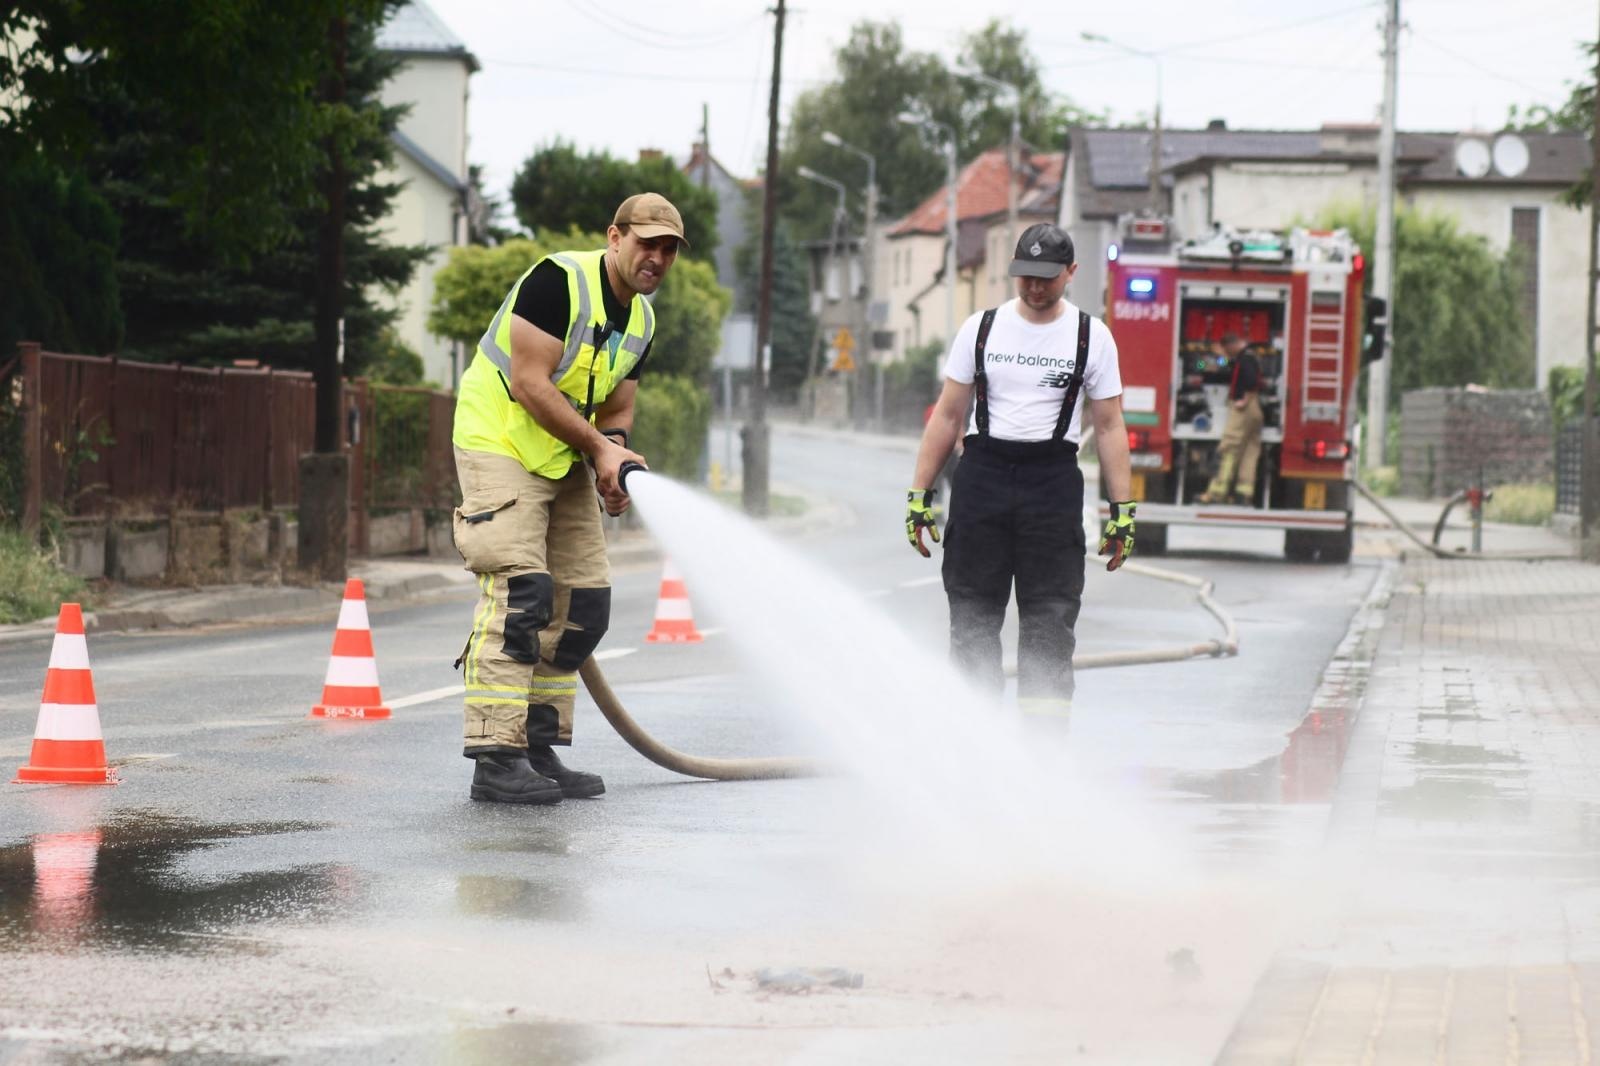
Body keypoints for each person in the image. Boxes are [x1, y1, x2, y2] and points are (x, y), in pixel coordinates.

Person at [449, 192, 686, 804]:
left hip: (560, 455)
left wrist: (613, 458)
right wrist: (600, 449)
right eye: (646, 242)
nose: (656, 257)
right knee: (521, 593)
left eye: (668, 249)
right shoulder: (558, 282)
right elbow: (529, 383)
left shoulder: (642, 320)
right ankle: (495, 760)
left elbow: (618, 407)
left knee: (584, 603)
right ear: (615, 237)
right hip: (498, 440)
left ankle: (534, 746)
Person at [905, 222, 1136, 718]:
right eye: (1025, 276)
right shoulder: (981, 328)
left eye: (1047, 278)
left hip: (1051, 485)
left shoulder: (1091, 337)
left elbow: (1111, 426)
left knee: (1050, 620)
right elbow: (948, 416)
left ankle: (1042, 750)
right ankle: (977, 736)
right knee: (971, 617)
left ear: (1070, 273)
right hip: (982, 478)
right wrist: (919, 495)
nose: (1034, 287)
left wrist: (1123, 511)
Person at [1198, 332, 1263, 505]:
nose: (1228, 354)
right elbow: (1228, 365)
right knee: (1250, 450)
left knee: (1228, 447)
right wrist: (1216, 359)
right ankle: (1244, 493)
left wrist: (1244, 400)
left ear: (1232, 345)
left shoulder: (1245, 359)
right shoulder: (1248, 357)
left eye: (1228, 351)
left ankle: (1216, 493)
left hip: (1244, 408)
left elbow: (1249, 379)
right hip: (1255, 410)